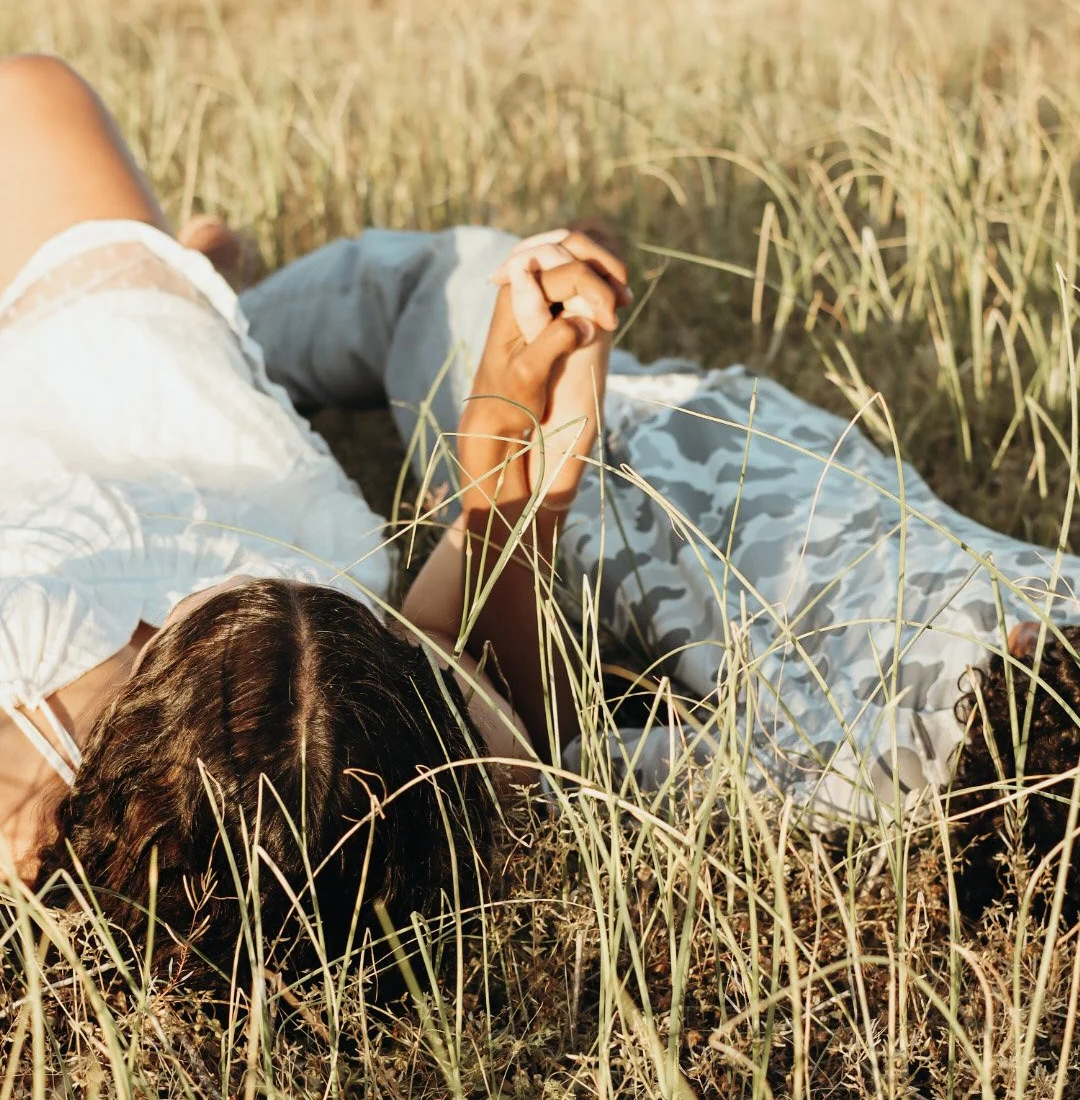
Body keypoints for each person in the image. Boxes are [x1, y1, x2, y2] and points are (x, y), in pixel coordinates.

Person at [1, 56, 1076, 980]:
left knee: (32, 96)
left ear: (145, 668)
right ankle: (221, 301)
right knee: (50, 109)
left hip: (94, 379)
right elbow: (490, 691)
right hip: (223, 442)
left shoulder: (33, 693)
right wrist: (517, 472)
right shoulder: (362, 761)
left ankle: (215, 291)